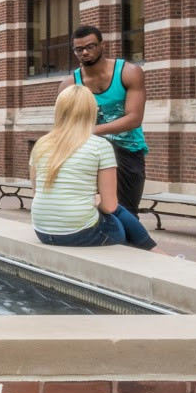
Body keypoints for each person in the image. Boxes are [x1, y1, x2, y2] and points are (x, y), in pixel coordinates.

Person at [29, 85, 157, 250]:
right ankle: (154, 252)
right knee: (117, 214)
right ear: (92, 111)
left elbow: (37, 193)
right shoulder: (100, 146)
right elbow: (110, 206)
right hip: (80, 233)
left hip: (43, 231)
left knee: (106, 209)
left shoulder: (41, 144)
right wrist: (94, 203)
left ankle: (155, 250)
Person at [71, 24, 148, 215]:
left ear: (101, 45)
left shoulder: (128, 72)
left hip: (126, 150)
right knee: (92, 210)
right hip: (89, 151)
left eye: (90, 46)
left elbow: (134, 119)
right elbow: (66, 124)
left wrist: (92, 130)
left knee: (127, 211)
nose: (85, 53)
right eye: (79, 49)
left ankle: (130, 244)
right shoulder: (70, 84)